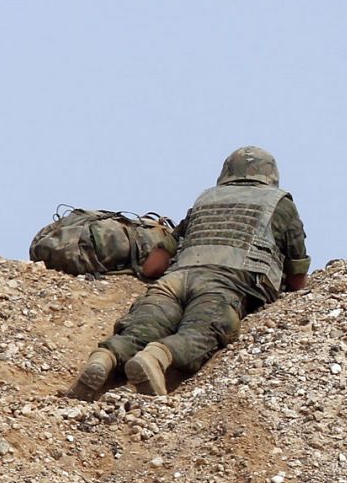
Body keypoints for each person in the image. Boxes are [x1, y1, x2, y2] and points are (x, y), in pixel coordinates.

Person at [68, 146, 310, 397]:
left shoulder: (206, 199)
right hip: (224, 284)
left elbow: (154, 266)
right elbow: (297, 280)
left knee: (143, 326)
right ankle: (156, 357)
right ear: (271, 176)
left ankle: (103, 359)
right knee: (200, 330)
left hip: (176, 279)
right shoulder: (280, 204)